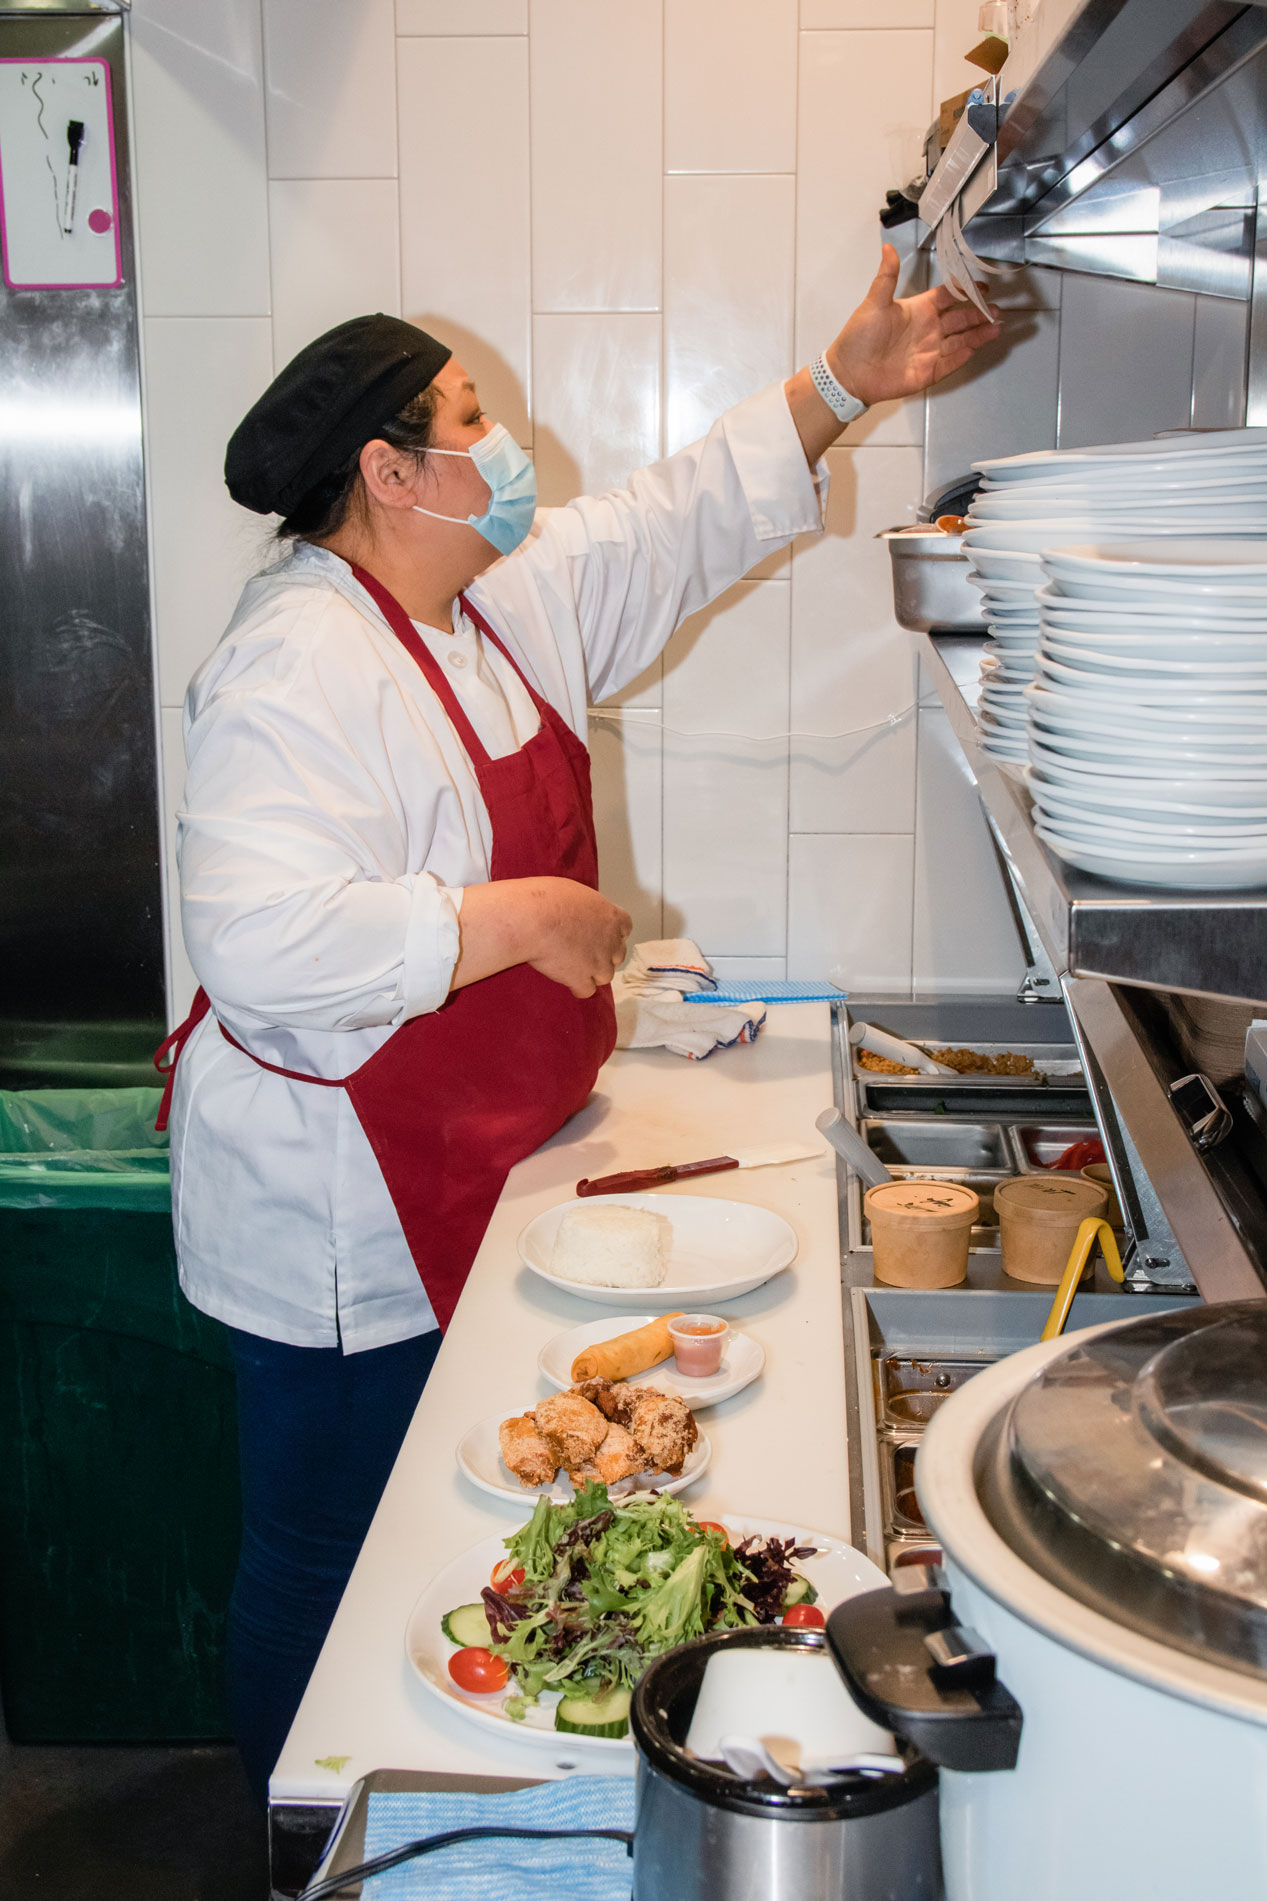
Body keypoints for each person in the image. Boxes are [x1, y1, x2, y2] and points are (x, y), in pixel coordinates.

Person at [155, 245, 999, 1800]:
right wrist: (522, 916)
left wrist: (841, 383)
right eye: (472, 417)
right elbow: (262, 941)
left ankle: (438, 1796)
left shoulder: (492, 602)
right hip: (340, 1208)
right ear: (389, 471)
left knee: (438, 1536)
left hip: (485, 1160)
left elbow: (672, 520)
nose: (508, 445)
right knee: (324, 1548)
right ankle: (308, 1841)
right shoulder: (294, 662)